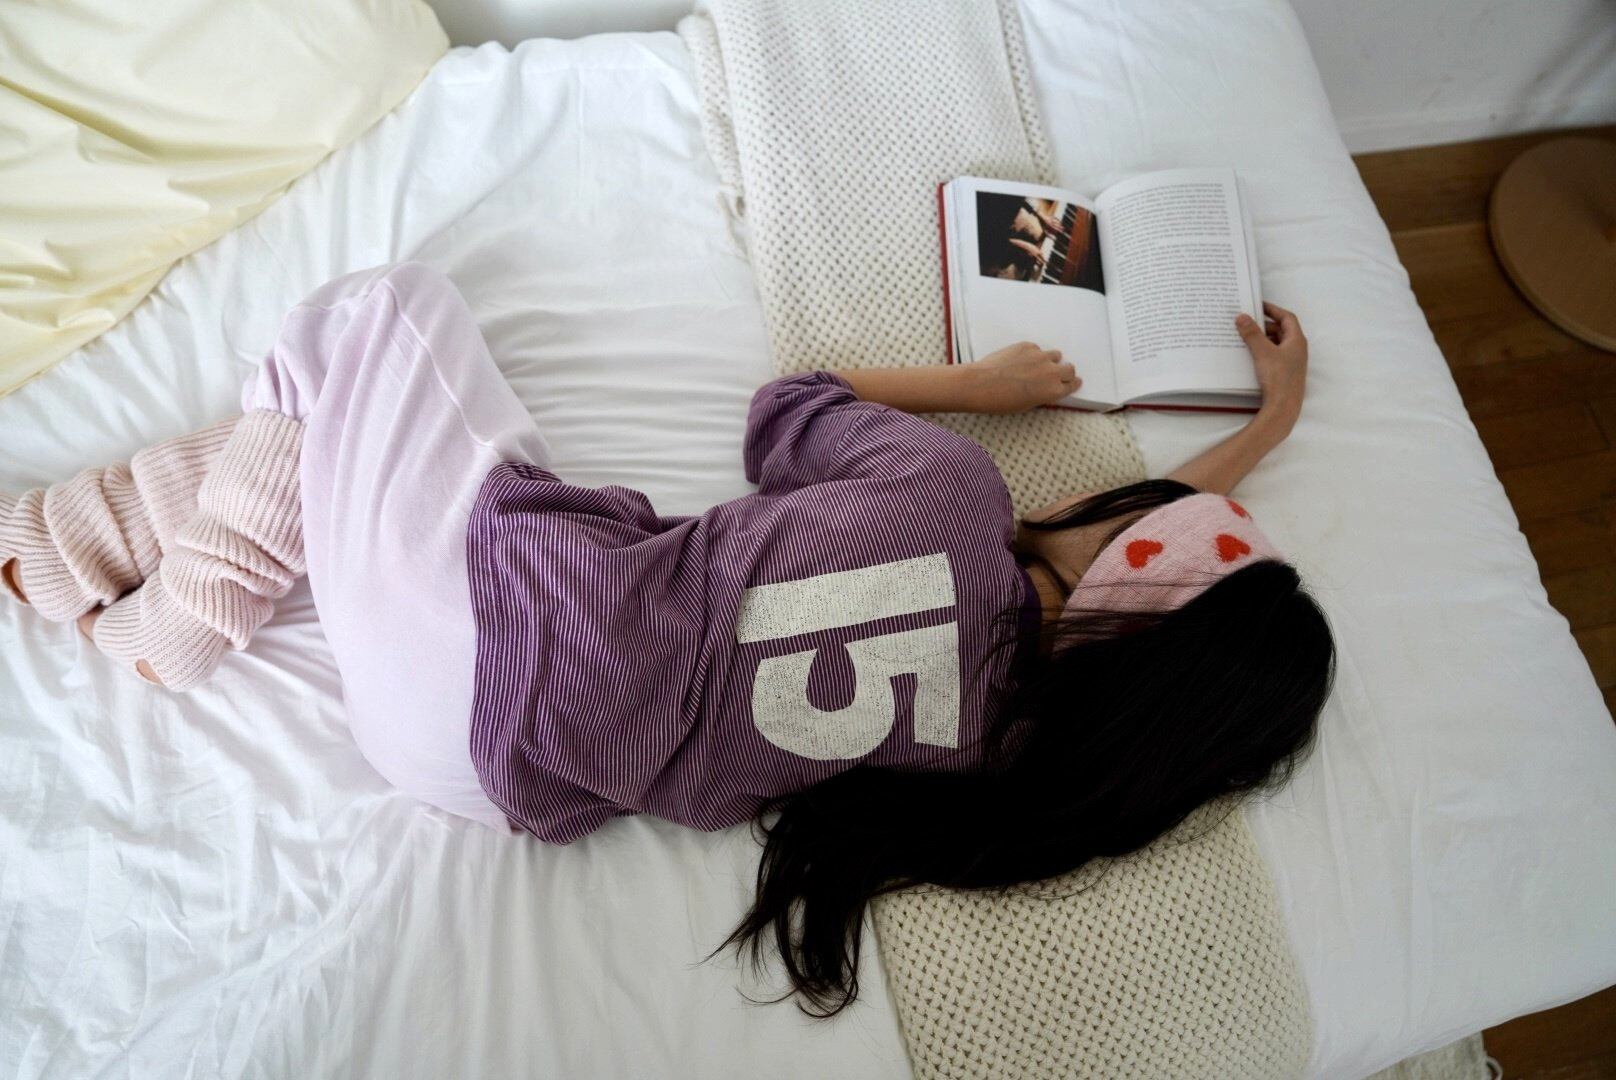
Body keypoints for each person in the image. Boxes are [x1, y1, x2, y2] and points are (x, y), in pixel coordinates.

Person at [0, 263, 1331, 1014]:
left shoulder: (951, 489)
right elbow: (1137, 577)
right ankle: (74, 543)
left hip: (483, 619)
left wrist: (976, 391)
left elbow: (789, 406)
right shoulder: (999, 757)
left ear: (1129, 539)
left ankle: (191, 604)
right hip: (482, 777)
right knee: (317, 449)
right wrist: (1265, 433)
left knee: (366, 323)